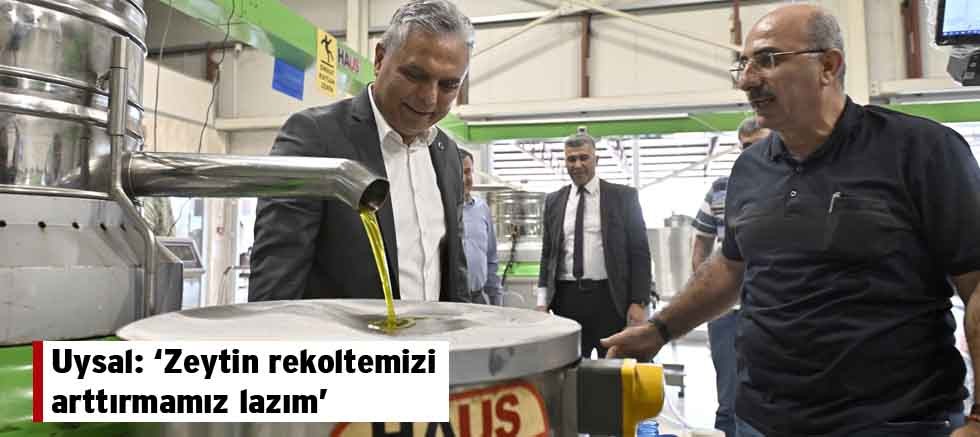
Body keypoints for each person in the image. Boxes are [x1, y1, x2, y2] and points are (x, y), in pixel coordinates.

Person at [602, 4, 980, 437]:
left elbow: (976, 283)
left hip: (893, 421)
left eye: (767, 60)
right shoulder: (750, 170)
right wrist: (659, 329)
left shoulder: (921, 150)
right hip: (762, 419)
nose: (747, 80)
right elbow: (730, 267)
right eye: (743, 65)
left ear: (828, 66)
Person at [249, 0, 472, 303]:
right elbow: (275, 286)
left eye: (448, 85)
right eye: (415, 75)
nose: (429, 98)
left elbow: (455, 275)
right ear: (380, 59)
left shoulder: (447, 155)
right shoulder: (315, 139)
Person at [536, 127, 652, 358]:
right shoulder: (554, 201)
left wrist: (639, 302)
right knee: (569, 367)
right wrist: (542, 301)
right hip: (566, 300)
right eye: (571, 159)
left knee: (614, 367)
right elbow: (548, 254)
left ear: (596, 159)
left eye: (584, 158)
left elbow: (640, 253)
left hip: (609, 298)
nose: (577, 164)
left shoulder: (623, 197)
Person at [690, 117, 771, 437]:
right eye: (746, 146)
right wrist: (706, 291)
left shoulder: (794, 182)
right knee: (728, 398)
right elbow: (701, 241)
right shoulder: (722, 188)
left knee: (773, 396)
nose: (752, 152)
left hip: (773, 311)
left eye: (760, 144)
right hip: (727, 312)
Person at [459, 148, 502, 305]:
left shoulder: (481, 208)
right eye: (460, 172)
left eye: (468, 172)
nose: (465, 178)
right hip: (451, 301)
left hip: (478, 298)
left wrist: (496, 300)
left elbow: (491, 258)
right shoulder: (440, 210)